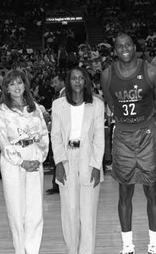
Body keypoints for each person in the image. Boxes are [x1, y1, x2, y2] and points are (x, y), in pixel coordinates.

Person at [100, 34, 156, 254]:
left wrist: (149, 122)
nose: (124, 49)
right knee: (124, 192)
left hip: (147, 134)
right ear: (115, 50)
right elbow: (112, 104)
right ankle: (127, 246)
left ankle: (154, 246)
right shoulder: (107, 75)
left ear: (134, 47)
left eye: (128, 44)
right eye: (119, 46)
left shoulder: (151, 71)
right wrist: (129, 123)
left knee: (151, 191)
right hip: (122, 137)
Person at [0, 69, 49, 254]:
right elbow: (2, 140)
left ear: (25, 85)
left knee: (35, 209)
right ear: (6, 89)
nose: (16, 87)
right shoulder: (0, 110)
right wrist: (21, 162)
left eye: (19, 82)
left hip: (34, 156)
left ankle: (33, 250)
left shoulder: (35, 108)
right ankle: (20, 250)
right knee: (16, 210)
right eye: (11, 84)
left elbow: (43, 134)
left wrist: (38, 158)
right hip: (12, 161)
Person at [51, 67, 105, 254]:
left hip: (88, 157)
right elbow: (55, 136)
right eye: (73, 78)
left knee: (88, 213)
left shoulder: (97, 105)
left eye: (81, 78)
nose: (77, 81)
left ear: (86, 82)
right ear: (68, 81)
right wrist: (59, 163)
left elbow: (99, 137)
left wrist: (96, 165)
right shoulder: (58, 105)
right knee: (69, 211)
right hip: (66, 157)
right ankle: (71, 250)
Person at [46, 73, 66, 195]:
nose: (53, 85)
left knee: (58, 158)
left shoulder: (64, 95)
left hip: (61, 133)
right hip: (58, 130)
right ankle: (56, 184)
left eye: (55, 82)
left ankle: (58, 184)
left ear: (62, 82)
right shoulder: (61, 94)